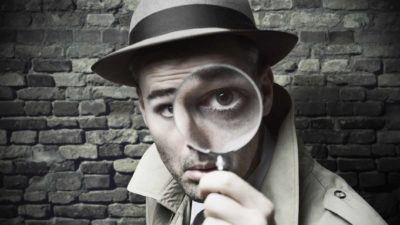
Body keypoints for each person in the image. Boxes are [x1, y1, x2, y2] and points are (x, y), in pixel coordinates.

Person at [92, 0, 388, 224]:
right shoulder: (161, 172)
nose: (195, 142)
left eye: (223, 98)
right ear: (144, 109)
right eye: (167, 108)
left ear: (265, 92)